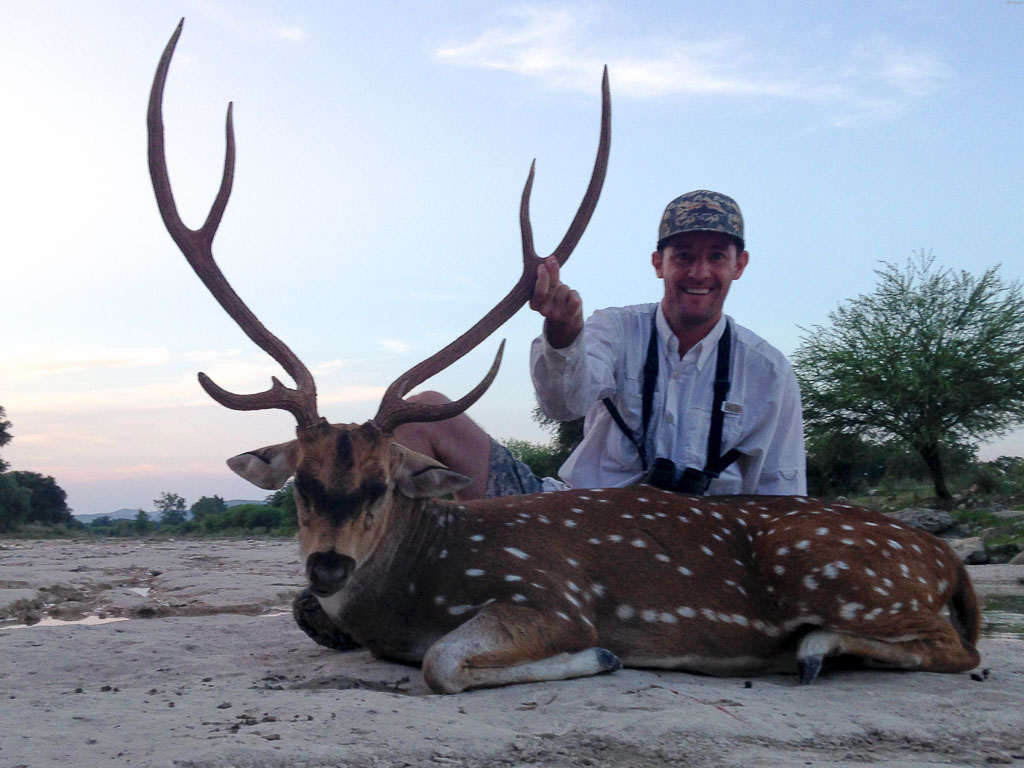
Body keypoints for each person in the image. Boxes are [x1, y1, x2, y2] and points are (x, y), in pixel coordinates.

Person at [394, 190, 806, 499]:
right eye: (683, 256)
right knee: (420, 415)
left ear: (739, 265)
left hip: (696, 556)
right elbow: (563, 405)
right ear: (658, 263)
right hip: (577, 522)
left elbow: (783, 496)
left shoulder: (769, 372)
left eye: (716, 256)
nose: (699, 272)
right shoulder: (615, 328)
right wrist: (564, 333)